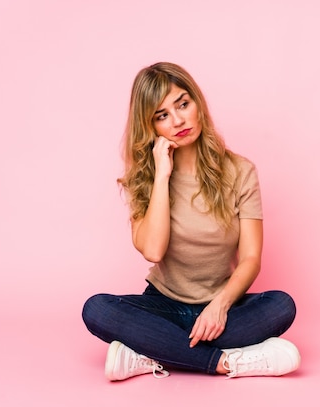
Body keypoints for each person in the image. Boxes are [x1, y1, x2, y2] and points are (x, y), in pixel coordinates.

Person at [82, 62, 300, 381]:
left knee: (281, 305)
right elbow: (154, 251)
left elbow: (251, 259)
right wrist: (162, 176)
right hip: (163, 308)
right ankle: (227, 362)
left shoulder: (241, 172)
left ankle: (150, 352)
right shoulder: (144, 180)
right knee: (97, 309)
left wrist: (220, 305)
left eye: (183, 104)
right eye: (162, 115)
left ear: (197, 103)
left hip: (224, 308)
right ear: (150, 126)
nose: (179, 120)